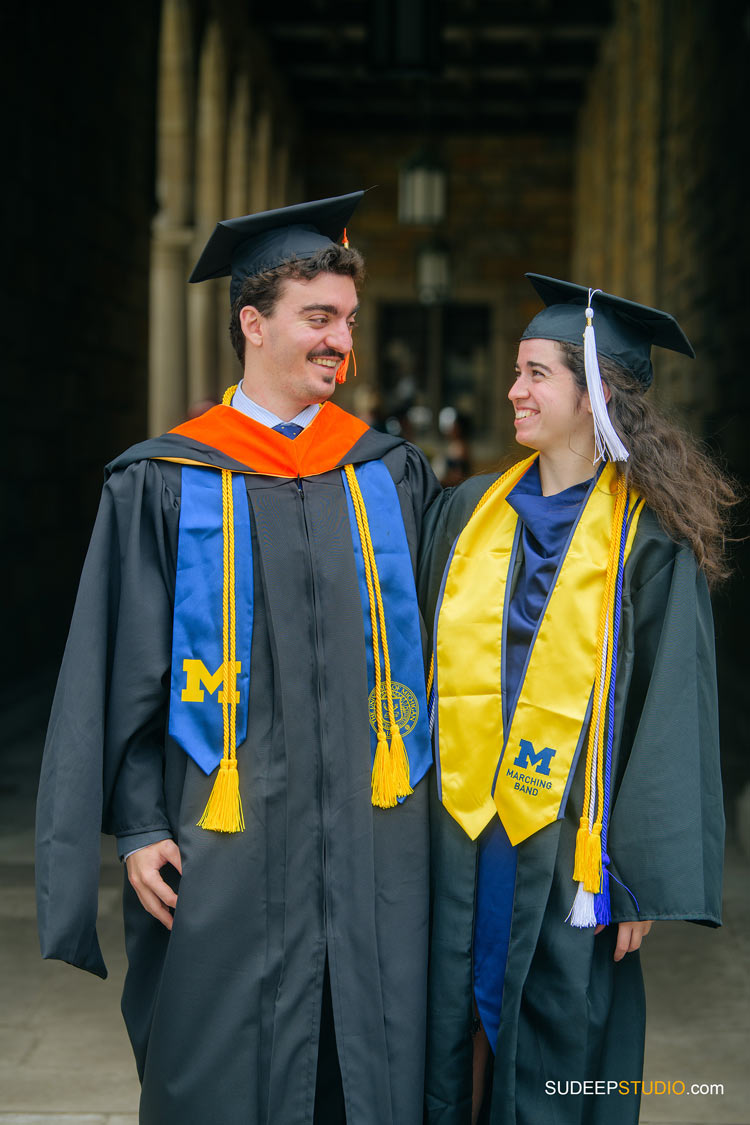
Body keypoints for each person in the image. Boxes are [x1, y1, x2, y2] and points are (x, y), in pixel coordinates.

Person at [35, 192, 440, 1125]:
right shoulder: (164, 481)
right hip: (226, 841)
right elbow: (120, 666)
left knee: (365, 1073)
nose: (341, 338)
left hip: (376, 841)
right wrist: (139, 824)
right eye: (319, 317)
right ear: (254, 324)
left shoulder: (388, 474)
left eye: (348, 319)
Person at [418, 274, 732, 1125]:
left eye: (535, 373)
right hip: (462, 829)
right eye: (517, 373)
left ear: (593, 392)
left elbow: (671, 711)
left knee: (556, 1042)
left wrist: (633, 878)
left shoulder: (650, 540)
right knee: (451, 1025)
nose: (513, 390)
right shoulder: (469, 511)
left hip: (569, 848)